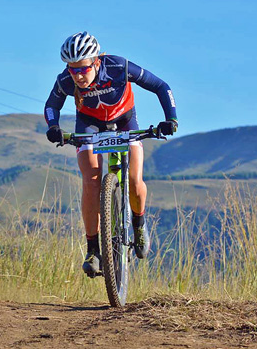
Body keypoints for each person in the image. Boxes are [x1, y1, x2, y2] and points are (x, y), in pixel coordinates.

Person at [44, 31, 178, 277]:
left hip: (125, 121)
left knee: (135, 180)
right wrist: (53, 127)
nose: (78, 75)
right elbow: (52, 105)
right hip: (89, 124)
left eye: (82, 69)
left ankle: (138, 224)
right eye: (72, 70)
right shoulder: (65, 79)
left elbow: (161, 86)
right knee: (91, 180)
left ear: (96, 62)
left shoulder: (117, 66)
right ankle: (93, 248)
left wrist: (171, 119)